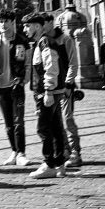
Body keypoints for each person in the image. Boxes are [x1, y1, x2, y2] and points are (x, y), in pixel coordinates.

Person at [24, 13, 69, 179]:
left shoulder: (44, 43)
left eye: (28, 26)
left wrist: (48, 91)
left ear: (37, 26)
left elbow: (51, 67)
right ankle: (59, 164)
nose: (25, 29)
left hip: (49, 92)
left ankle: (49, 163)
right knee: (56, 127)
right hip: (51, 92)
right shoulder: (42, 42)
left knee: (43, 128)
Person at [0, 10, 30, 166]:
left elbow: (27, 64)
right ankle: (14, 152)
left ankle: (21, 153)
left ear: (13, 22)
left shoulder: (22, 41)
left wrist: (24, 81)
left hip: (16, 87)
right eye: (0, 22)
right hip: (1, 88)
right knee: (8, 123)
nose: (3, 24)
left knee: (19, 122)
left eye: (6, 21)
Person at [50, 14, 82, 167]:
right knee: (55, 122)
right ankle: (65, 150)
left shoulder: (65, 39)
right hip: (51, 88)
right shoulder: (43, 41)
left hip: (65, 87)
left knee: (67, 118)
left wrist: (69, 83)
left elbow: (73, 63)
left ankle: (75, 152)